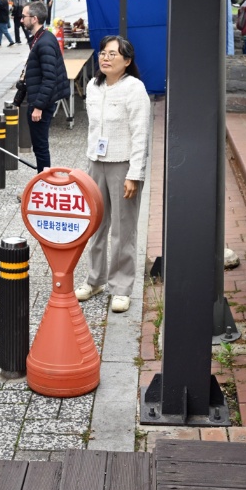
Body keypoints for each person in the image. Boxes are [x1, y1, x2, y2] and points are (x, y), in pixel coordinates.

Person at [75, 37, 151, 314]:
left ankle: (121, 287)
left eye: (112, 54)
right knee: (95, 224)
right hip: (97, 162)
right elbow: (93, 129)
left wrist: (135, 174)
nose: (105, 58)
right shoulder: (93, 86)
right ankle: (95, 279)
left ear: (127, 61)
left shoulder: (134, 89)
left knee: (123, 229)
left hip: (123, 165)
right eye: (103, 53)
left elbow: (141, 134)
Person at [20, 2, 70, 171]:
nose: (21, 20)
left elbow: (50, 78)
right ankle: (41, 183)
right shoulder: (40, 38)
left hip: (41, 102)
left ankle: (43, 185)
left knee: (40, 148)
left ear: (34, 19)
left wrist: (38, 106)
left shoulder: (45, 42)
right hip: (38, 97)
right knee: (39, 147)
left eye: (24, 16)